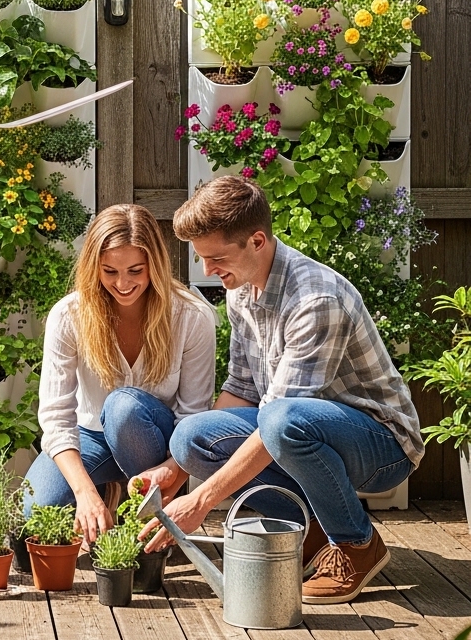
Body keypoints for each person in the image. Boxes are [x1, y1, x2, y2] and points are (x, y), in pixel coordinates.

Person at [140, 176, 423, 604]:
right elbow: (241, 389)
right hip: (300, 430)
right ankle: (309, 536)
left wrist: (202, 500)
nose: (207, 271)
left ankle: (356, 546)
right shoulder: (242, 292)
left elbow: (279, 420)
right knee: (191, 436)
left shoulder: (315, 299)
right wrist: (177, 471)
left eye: (215, 258)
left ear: (256, 240)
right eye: (202, 258)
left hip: (382, 445)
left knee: (282, 420)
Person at [25, 203, 216, 544]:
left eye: (135, 270)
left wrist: (171, 475)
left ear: (154, 265)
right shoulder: (69, 315)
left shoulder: (191, 316)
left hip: (155, 444)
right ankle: (104, 493)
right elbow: (56, 417)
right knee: (33, 516)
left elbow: (194, 418)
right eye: (109, 271)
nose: (123, 283)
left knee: (123, 407)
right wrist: (84, 493)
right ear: (93, 267)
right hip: (91, 439)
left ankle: (144, 511)